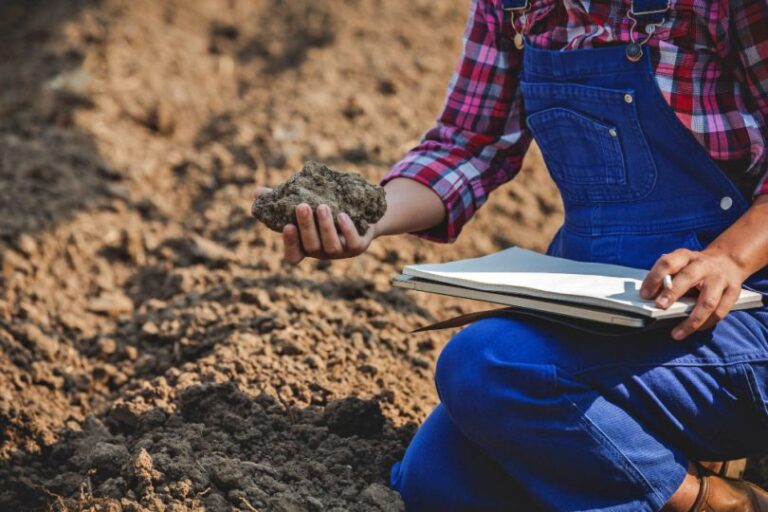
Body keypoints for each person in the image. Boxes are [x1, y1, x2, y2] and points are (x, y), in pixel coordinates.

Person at [255, 0, 768, 509]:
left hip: (731, 318)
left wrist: (730, 257)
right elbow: (469, 142)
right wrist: (368, 217)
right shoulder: (513, 6)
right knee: (439, 482)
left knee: (486, 365)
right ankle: (675, 476)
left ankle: (706, 502)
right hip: (602, 305)